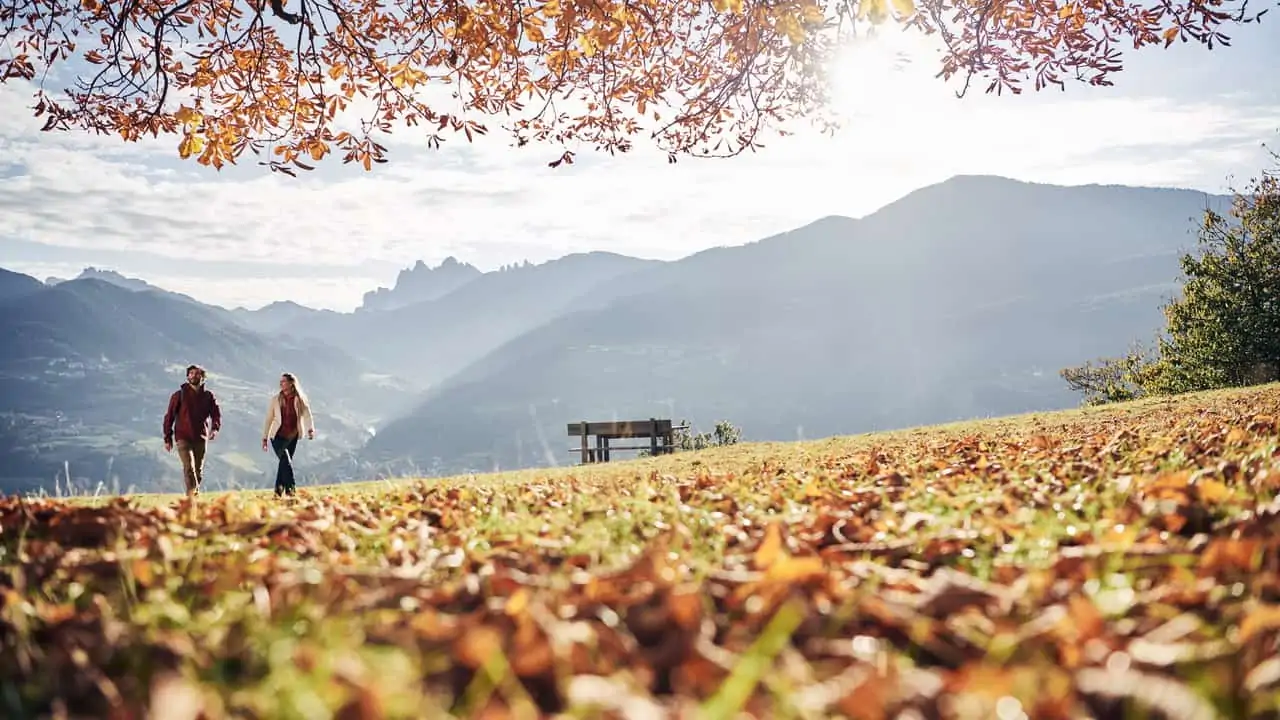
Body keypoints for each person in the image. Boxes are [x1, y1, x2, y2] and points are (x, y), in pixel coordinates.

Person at [162, 364, 221, 497]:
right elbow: (169, 416)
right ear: (188, 376)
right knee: (189, 467)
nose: (194, 375)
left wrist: (215, 429)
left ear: (203, 377)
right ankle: (191, 497)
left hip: (200, 437)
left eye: (197, 373)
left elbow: (216, 414)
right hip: (183, 437)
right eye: (191, 373)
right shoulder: (179, 395)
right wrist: (167, 437)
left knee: (198, 471)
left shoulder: (208, 396)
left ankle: (194, 493)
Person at [261, 372, 315, 496]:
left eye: (283, 381)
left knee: (283, 464)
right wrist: (265, 437)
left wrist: (310, 429)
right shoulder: (275, 399)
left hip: (292, 437)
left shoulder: (300, 398)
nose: (281, 383)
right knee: (286, 460)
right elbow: (269, 418)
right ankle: (291, 490)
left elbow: (307, 415)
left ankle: (278, 493)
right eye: (281, 381)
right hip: (277, 436)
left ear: (291, 383)